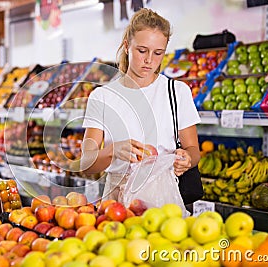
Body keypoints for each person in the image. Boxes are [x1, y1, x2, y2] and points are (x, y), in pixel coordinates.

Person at [80, 8, 201, 202]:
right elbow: (86, 163)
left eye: (158, 53)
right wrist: (113, 150)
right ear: (127, 46)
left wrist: (187, 159)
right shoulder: (102, 97)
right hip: (117, 198)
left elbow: (193, 150)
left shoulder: (177, 92)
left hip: (164, 194)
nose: (149, 60)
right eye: (142, 50)